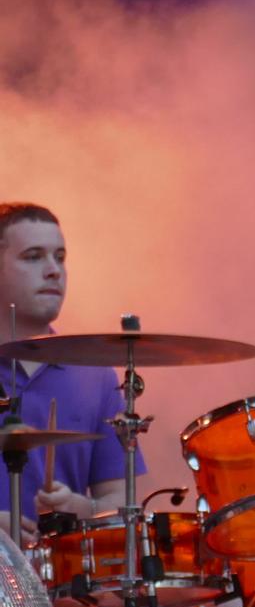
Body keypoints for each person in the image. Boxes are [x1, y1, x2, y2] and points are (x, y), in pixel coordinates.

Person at [0, 203, 142, 529]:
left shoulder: (94, 374)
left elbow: (121, 502)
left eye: (60, 257)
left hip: (65, 576)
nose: (54, 270)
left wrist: (80, 506)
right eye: (33, 256)